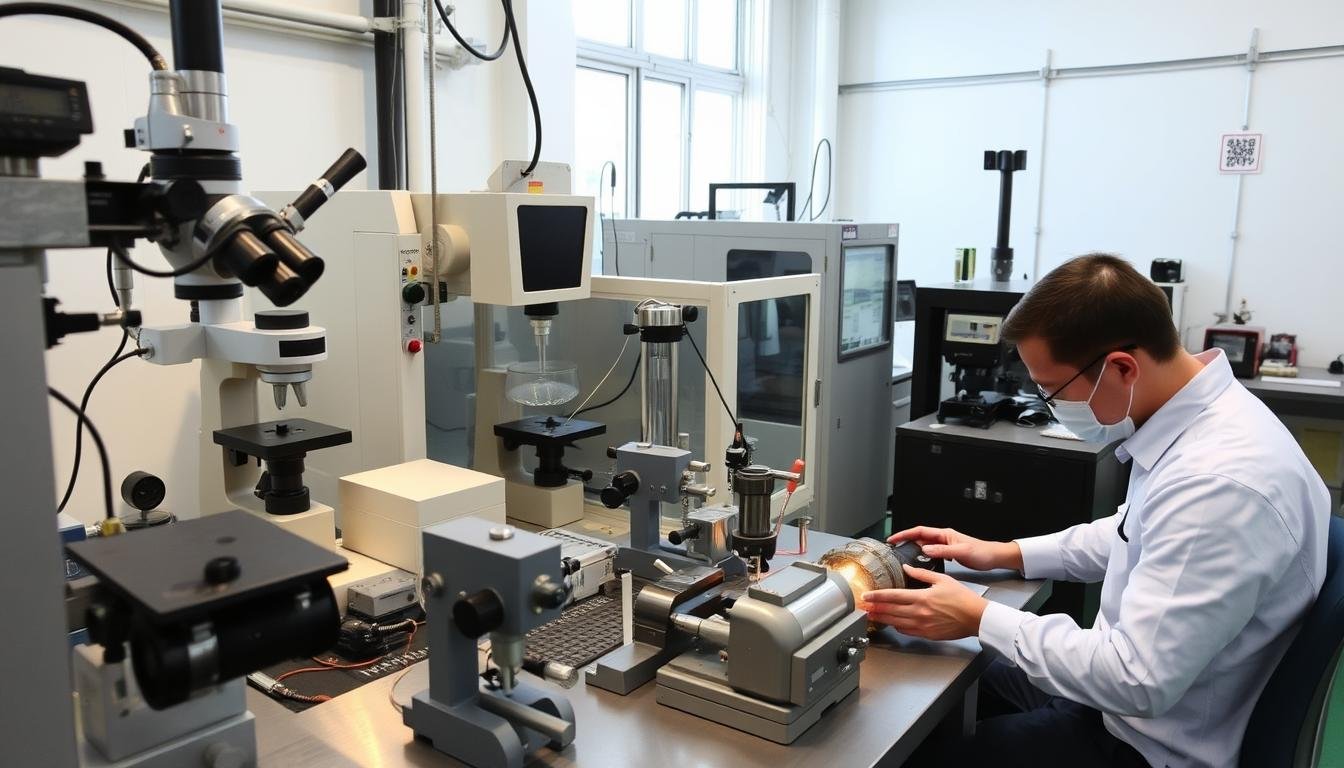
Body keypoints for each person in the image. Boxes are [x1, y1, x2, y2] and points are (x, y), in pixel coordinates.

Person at [870, 254, 1330, 768]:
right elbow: (1133, 532)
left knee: (918, 752)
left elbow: (1136, 680)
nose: (1048, 404)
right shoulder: (1200, 422)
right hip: (1118, 702)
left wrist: (979, 616)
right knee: (946, 674)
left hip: (1141, 742)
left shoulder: (1216, 482)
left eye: (1052, 391)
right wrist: (1006, 552)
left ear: (1122, 368)